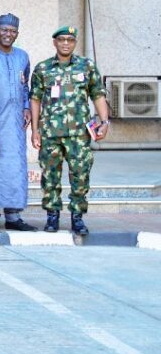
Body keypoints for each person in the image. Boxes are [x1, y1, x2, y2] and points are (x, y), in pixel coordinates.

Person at [30, 26, 109, 234]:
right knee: (50, 177)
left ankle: (77, 218)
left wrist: (105, 121)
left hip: (79, 134)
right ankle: (52, 217)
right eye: (62, 39)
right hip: (50, 134)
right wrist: (35, 130)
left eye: (70, 40)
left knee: (80, 176)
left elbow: (98, 94)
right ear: (54, 42)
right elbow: (35, 99)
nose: (66, 43)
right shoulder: (43, 69)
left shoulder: (86, 66)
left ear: (74, 43)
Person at [0, 13, 36, 232]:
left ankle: (13, 216)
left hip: (15, 125)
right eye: (4, 30)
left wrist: (26, 107)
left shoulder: (23, 56)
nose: (8, 34)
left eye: (12, 31)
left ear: (16, 34)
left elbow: (25, 86)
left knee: (15, 168)